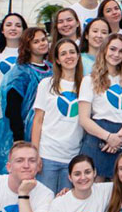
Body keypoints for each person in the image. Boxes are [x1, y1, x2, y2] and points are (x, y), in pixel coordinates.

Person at [78, 33, 122, 179]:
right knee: (95, 187)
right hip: (97, 136)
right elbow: (84, 119)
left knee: (120, 188)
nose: (116, 54)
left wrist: (119, 138)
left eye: (121, 51)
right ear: (104, 50)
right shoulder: (89, 80)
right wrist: (108, 137)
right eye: (112, 49)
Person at [30, 38, 83, 193]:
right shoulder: (46, 84)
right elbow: (38, 121)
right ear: (58, 60)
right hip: (48, 155)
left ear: (78, 56)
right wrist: (35, 154)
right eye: (64, 54)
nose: (69, 56)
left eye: (72, 52)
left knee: (66, 208)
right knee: (44, 204)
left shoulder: (87, 85)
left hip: (73, 156)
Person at [0, 27, 52, 172]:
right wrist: (19, 138)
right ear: (27, 46)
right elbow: (12, 108)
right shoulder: (20, 72)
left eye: (43, 40)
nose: (42, 44)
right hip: (25, 131)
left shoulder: (52, 69)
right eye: (36, 41)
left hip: (49, 130)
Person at [45, 154, 111, 212]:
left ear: (94, 172)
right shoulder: (58, 204)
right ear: (70, 177)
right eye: (77, 174)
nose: (83, 177)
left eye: (87, 172)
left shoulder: (103, 190)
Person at [0, 13, 27, 78]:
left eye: (18, 26)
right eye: (8, 25)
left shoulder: (31, 56)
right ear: (2, 30)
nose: (13, 28)